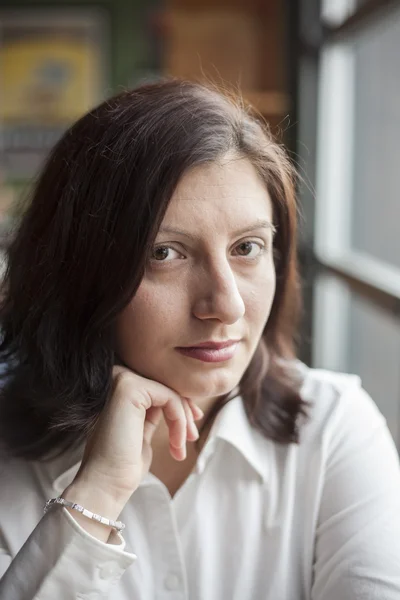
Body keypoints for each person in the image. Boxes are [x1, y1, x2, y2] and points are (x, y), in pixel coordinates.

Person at [0, 79, 399, 600]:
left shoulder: (332, 428)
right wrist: (96, 493)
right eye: (164, 254)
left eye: (248, 247)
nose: (226, 304)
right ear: (79, 272)